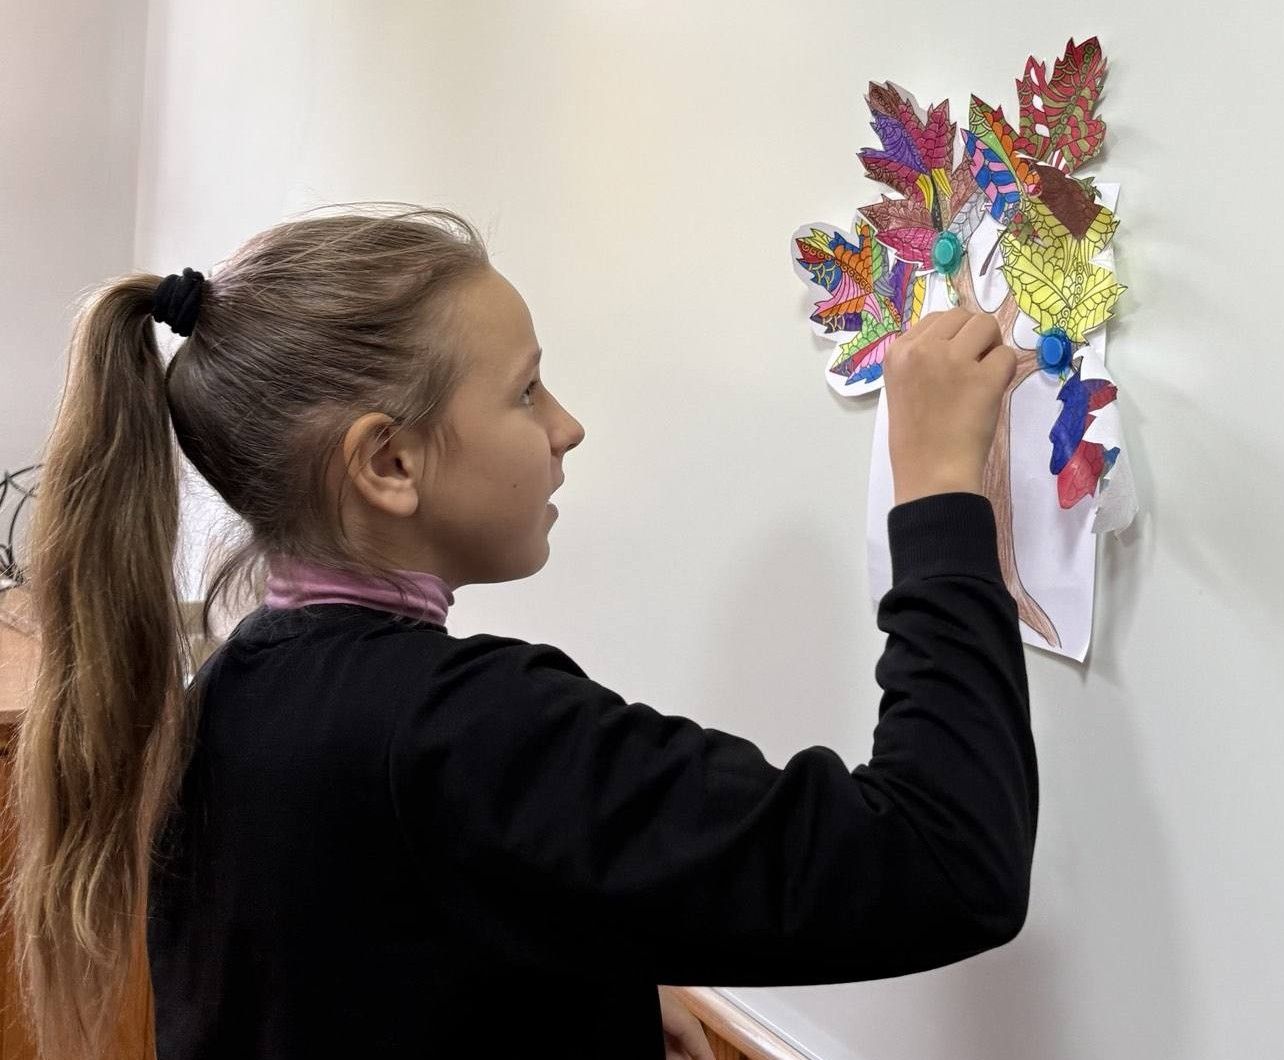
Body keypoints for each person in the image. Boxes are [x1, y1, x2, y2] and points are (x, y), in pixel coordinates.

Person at [7, 202, 1034, 1059]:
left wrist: (587, 983)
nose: (565, 427)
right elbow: (941, 860)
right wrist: (940, 491)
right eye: (526, 389)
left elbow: (375, 966)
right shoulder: (467, 731)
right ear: (389, 463)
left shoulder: (237, 690)